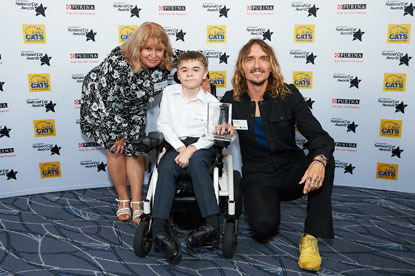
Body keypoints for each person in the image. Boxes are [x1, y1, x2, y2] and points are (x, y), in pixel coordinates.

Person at [221, 39, 335, 272]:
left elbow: (320, 136)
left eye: (263, 58)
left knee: (325, 158)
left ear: (271, 65)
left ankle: (310, 236)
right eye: (250, 59)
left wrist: (318, 160)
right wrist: (221, 131)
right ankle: (268, 208)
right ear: (242, 66)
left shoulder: (288, 94)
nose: (257, 65)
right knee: (263, 229)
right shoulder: (230, 100)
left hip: (292, 173)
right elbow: (216, 141)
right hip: (258, 176)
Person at [80, 22, 173, 224]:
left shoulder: (166, 60)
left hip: (134, 104)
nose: (154, 54)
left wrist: (204, 78)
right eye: (147, 48)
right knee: (117, 149)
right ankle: (123, 199)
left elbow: (193, 61)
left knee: (135, 149)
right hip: (103, 103)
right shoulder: (118, 62)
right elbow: (109, 100)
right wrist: (117, 133)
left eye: (159, 49)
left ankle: (137, 202)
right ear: (137, 47)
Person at [152, 51, 220, 262]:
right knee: (165, 167)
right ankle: (159, 228)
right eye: (184, 70)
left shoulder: (212, 102)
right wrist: (182, 148)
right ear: (178, 75)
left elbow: (211, 135)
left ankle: (211, 224)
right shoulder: (170, 94)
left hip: (201, 146)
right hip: (175, 143)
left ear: (205, 74)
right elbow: (164, 124)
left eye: (196, 70)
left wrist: (191, 150)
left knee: (199, 165)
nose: (190, 74)